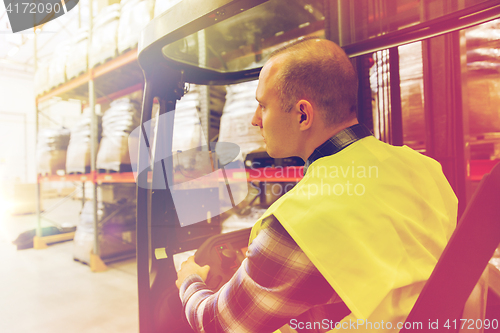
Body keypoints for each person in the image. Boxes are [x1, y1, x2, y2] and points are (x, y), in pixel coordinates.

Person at [175, 37, 458, 332]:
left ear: (303, 115)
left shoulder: (297, 222)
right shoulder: (423, 167)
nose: (254, 120)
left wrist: (190, 279)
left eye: (262, 106)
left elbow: (217, 323)